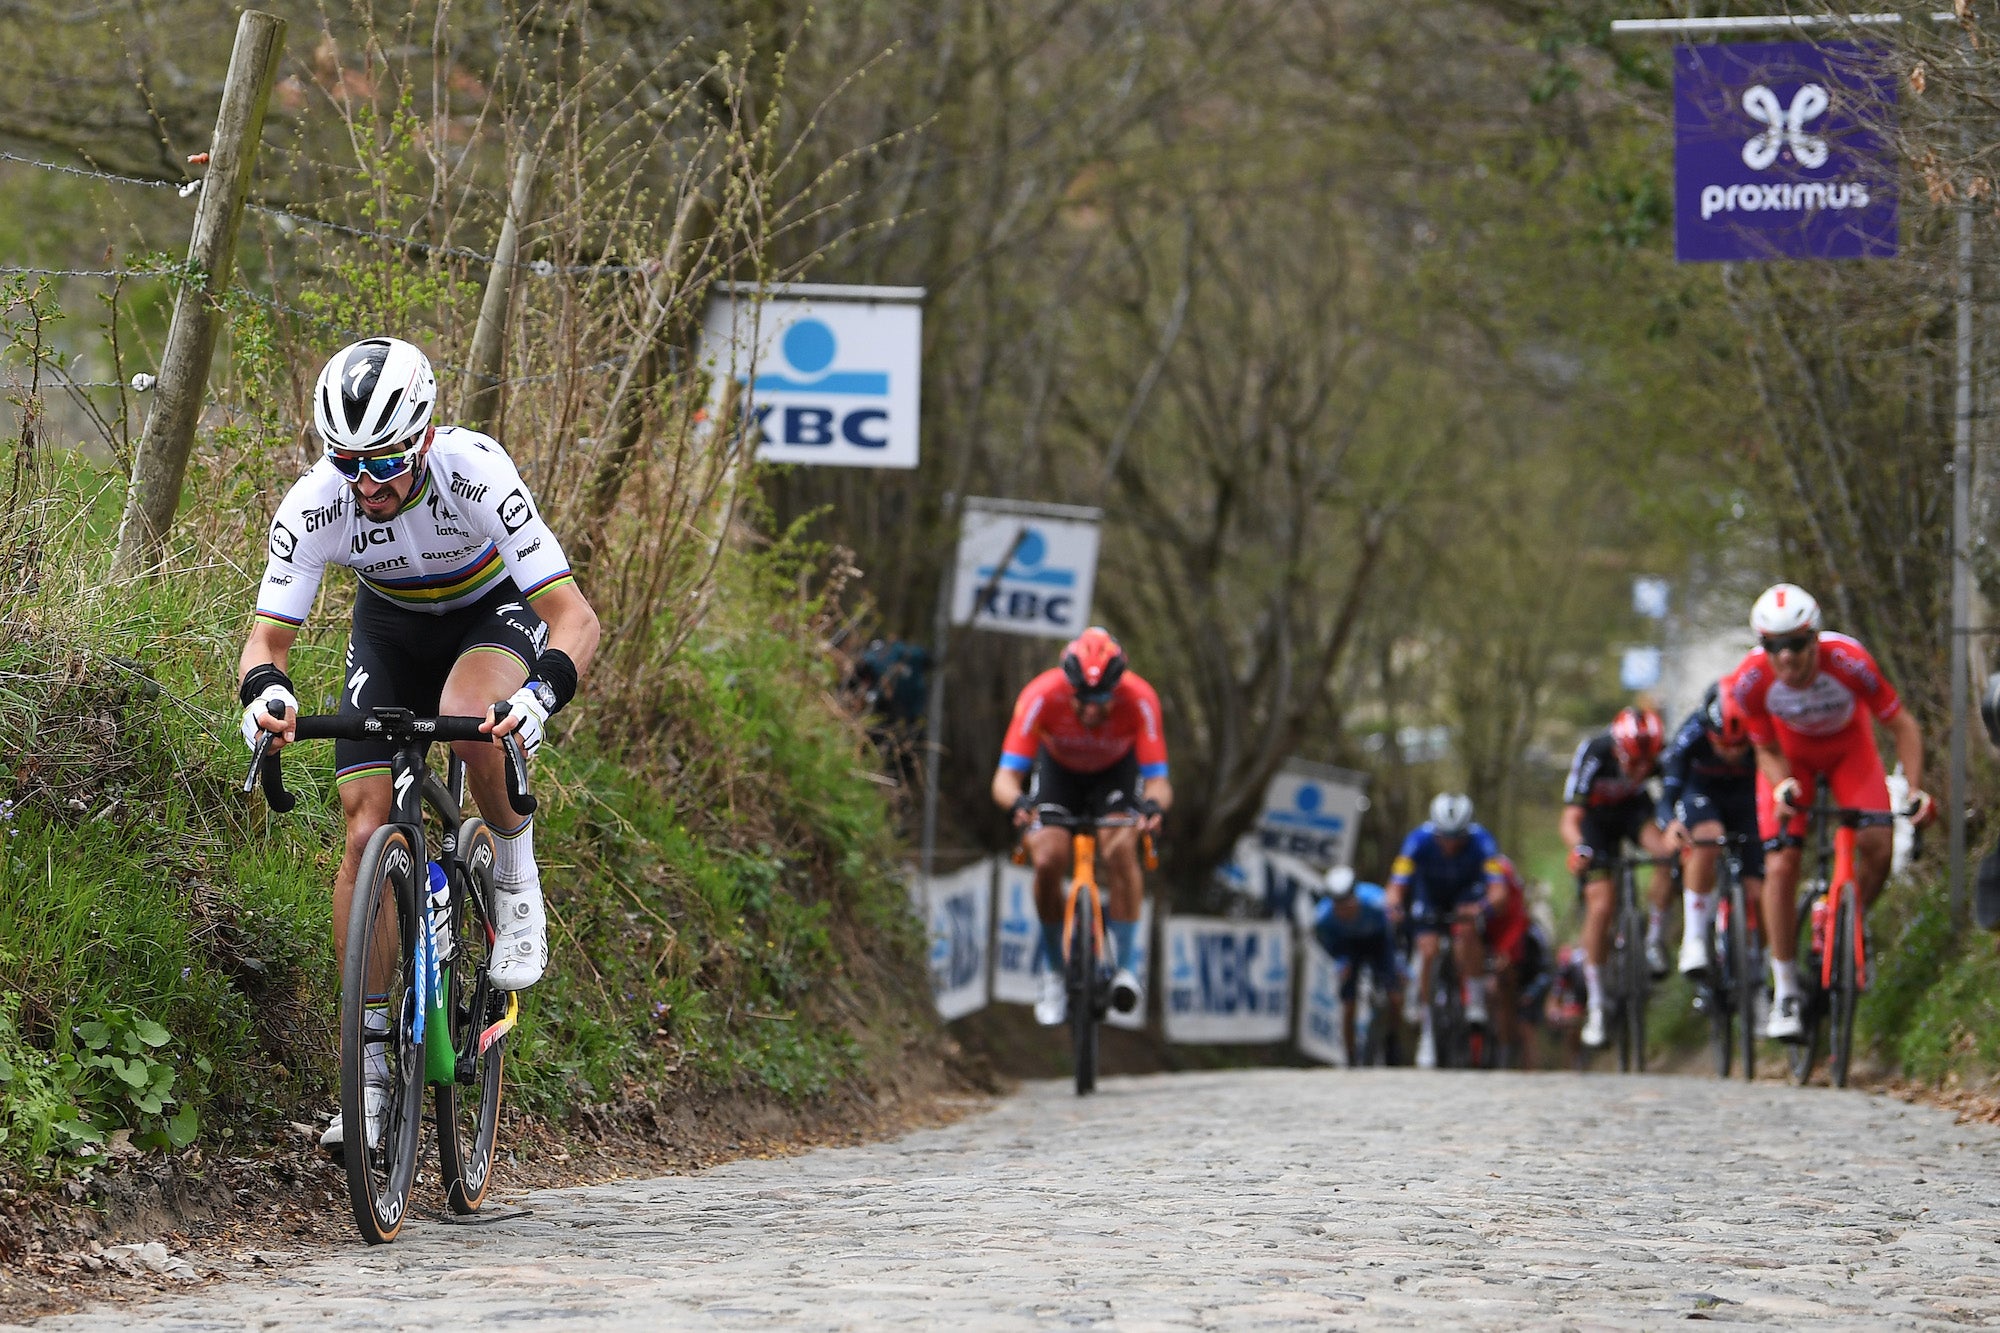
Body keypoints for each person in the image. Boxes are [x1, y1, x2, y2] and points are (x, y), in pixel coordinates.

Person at [239, 337, 601, 1150]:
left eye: (386, 462)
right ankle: (366, 1072)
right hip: (390, 628)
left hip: (490, 610)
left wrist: (541, 693)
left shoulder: (476, 473)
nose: (367, 484)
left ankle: (513, 867)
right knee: (365, 829)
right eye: (348, 461)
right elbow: (266, 641)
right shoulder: (316, 503)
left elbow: (576, 619)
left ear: (425, 438)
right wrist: (268, 695)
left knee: (474, 711)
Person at [1725, 583, 1933, 1041]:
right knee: (1780, 864)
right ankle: (1784, 989)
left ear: (1815, 637)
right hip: (1791, 760)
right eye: (1773, 647)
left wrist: (1913, 789)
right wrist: (1782, 785)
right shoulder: (1750, 680)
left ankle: (1848, 925)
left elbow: (1903, 726)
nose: (1786, 658)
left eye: (1796, 644)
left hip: (1848, 751)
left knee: (1878, 845)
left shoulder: (1850, 661)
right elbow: (1762, 748)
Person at [990, 627, 1170, 1026]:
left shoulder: (1140, 699)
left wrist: (1154, 806)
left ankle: (1126, 968)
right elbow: (1004, 780)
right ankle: (1054, 972)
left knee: (1120, 849)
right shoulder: (1040, 694)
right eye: (1082, 700)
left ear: (1117, 688)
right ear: (1066, 686)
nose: (1090, 710)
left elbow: (1159, 780)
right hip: (1059, 777)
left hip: (1115, 777)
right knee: (1048, 859)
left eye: (1101, 700)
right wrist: (1018, 803)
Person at [1559, 705, 1673, 1050]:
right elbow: (1570, 818)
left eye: (1646, 764)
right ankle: (1596, 1002)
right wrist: (1579, 849)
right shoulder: (1595, 752)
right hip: (1595, 823)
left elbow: (1673, 799)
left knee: (1667, 853)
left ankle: (1654, 940)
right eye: (1632, 762)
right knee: (1602, 904)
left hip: (1631, 813)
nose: (1639, 770)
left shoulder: (1656, 757)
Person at [1387, 792, 1506, 1069]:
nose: (1451, 844)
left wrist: (1484, 907)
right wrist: (1393, 905)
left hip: (1466, 895)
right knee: (1427, 948)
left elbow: (1498, 891)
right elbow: (1396, 884)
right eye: (1445, 837)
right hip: (1428, 896)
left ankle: (1474, 1000)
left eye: (1458, 838)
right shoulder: (1417, 841)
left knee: (1467, 929)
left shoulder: (1483, 841)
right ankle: (1428, 1031)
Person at [1658, 682, 1762, 980]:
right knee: (1707, 836)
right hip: (1702, 796)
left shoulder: (1762, 733)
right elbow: (1668, 795)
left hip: (1745, 801)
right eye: (1722, 744)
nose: (1731, 753)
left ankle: (1758, 972)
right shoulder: (1690, 736)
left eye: (1739, 746)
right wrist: (1671, 824)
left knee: (1759, 889)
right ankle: (1694, 938)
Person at [1305, 866, 1404, 1067]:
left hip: (1380, 943)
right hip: (1349, 948)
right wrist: (1340, 962)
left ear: (1355, 896)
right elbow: (1325, 943)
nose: (1344, 911)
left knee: (1395, 994)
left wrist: (1399, 962)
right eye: (1338, 907)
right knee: (1348, 1003)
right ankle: (1350, 1056)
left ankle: (1392, 1038)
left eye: (1348, 905)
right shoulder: (1323, 918)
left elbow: (1397, 930)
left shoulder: (1377, 902)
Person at [1482, 854, 1547, 1070]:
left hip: (1527, 974)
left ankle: (1525, 1064)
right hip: (1489, 942)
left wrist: (1530, 994)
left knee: (1524, 1024)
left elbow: (1544, 969)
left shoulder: (1530, 932)